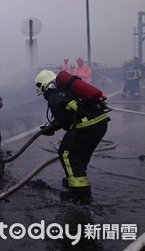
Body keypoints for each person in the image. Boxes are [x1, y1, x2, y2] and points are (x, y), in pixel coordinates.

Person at [35, 70, 110, 202]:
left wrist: (50, 129)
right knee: (80, 153)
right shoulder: (64, 92)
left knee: (67, 153)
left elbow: (64, 122)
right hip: (99, 122)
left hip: (87, 125)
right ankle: (75, 178)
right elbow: (68, 115)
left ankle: (81, 194)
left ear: (43, 87)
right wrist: (52, 126)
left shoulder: (53, 98)